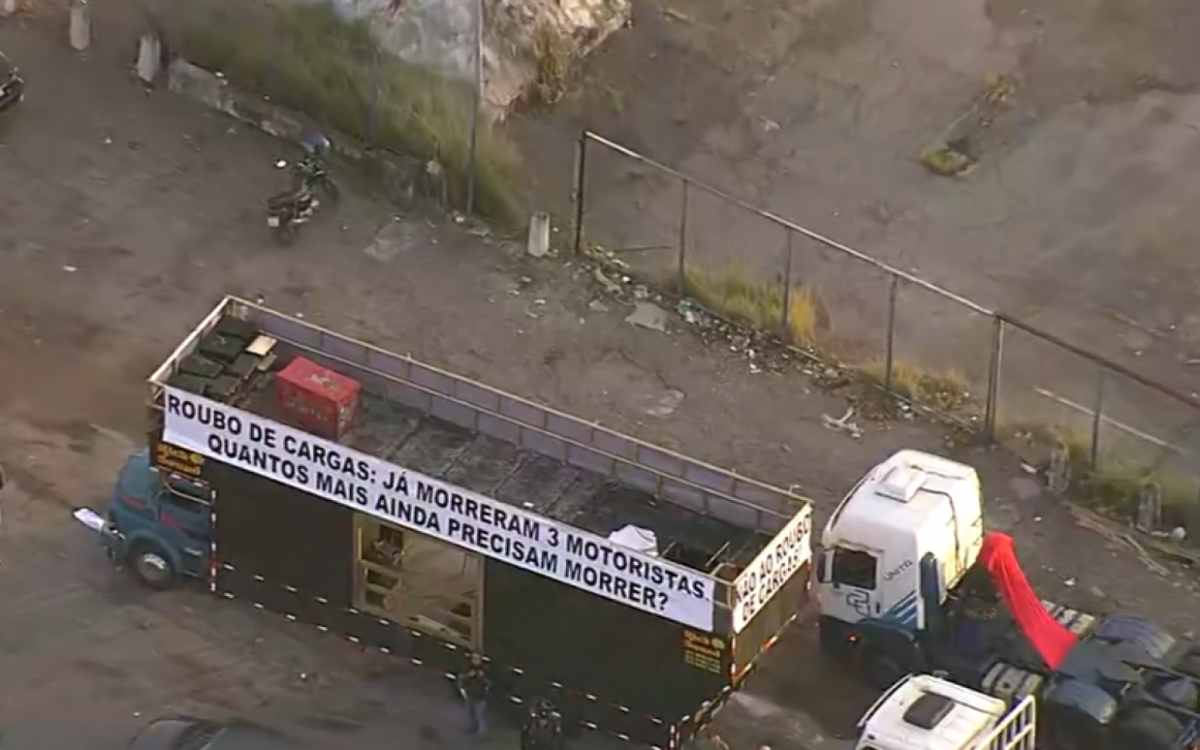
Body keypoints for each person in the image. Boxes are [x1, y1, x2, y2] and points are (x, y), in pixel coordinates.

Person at [457, 653, 490, 738]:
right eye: (474, 658)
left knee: (479, 716)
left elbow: (489, 682)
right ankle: (471, 729)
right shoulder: (467, 668)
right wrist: (468, 676)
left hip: (481, 696)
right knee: (471, 715)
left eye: (477, 658)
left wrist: (483, 677)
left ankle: (480, 734)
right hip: (470, 695)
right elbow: (460, 678)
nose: (475, 660)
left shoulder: (485, 669)